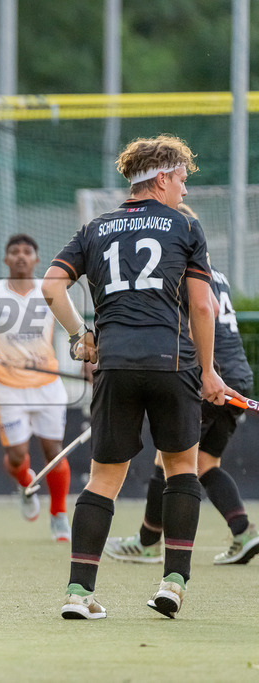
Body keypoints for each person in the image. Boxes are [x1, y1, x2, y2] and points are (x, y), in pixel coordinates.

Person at [42, 135, 241, 620]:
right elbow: (202, 304)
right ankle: (172, 585)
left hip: (113, 365)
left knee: (104, 479)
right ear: (161, 178)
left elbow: (51, 286)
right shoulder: (185, 228)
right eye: (182, 180)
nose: (185, 192)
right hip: (173, 366)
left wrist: (78, 337)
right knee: (180, 469)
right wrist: (210, 372)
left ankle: (77, 593)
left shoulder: (95, 227)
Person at [105, 212, 257, 566]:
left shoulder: (181, 269)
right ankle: (244, 532)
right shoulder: (211, 271)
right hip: (238, 374)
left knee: (169, 457)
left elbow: (205, 310)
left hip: (211, 377)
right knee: (204, 462)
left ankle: (146, 542)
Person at [0, 234, 71, 541]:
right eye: (14, 252)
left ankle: (59, 514)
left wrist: (87, 358)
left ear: (37, 259)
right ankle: (25, 483)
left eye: (27, 252)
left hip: (48, 385)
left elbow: (75, 330)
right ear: (6, 259)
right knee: (16, 456)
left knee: (54, 452)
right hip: (7, 388)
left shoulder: (50, 292)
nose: (21, 256)